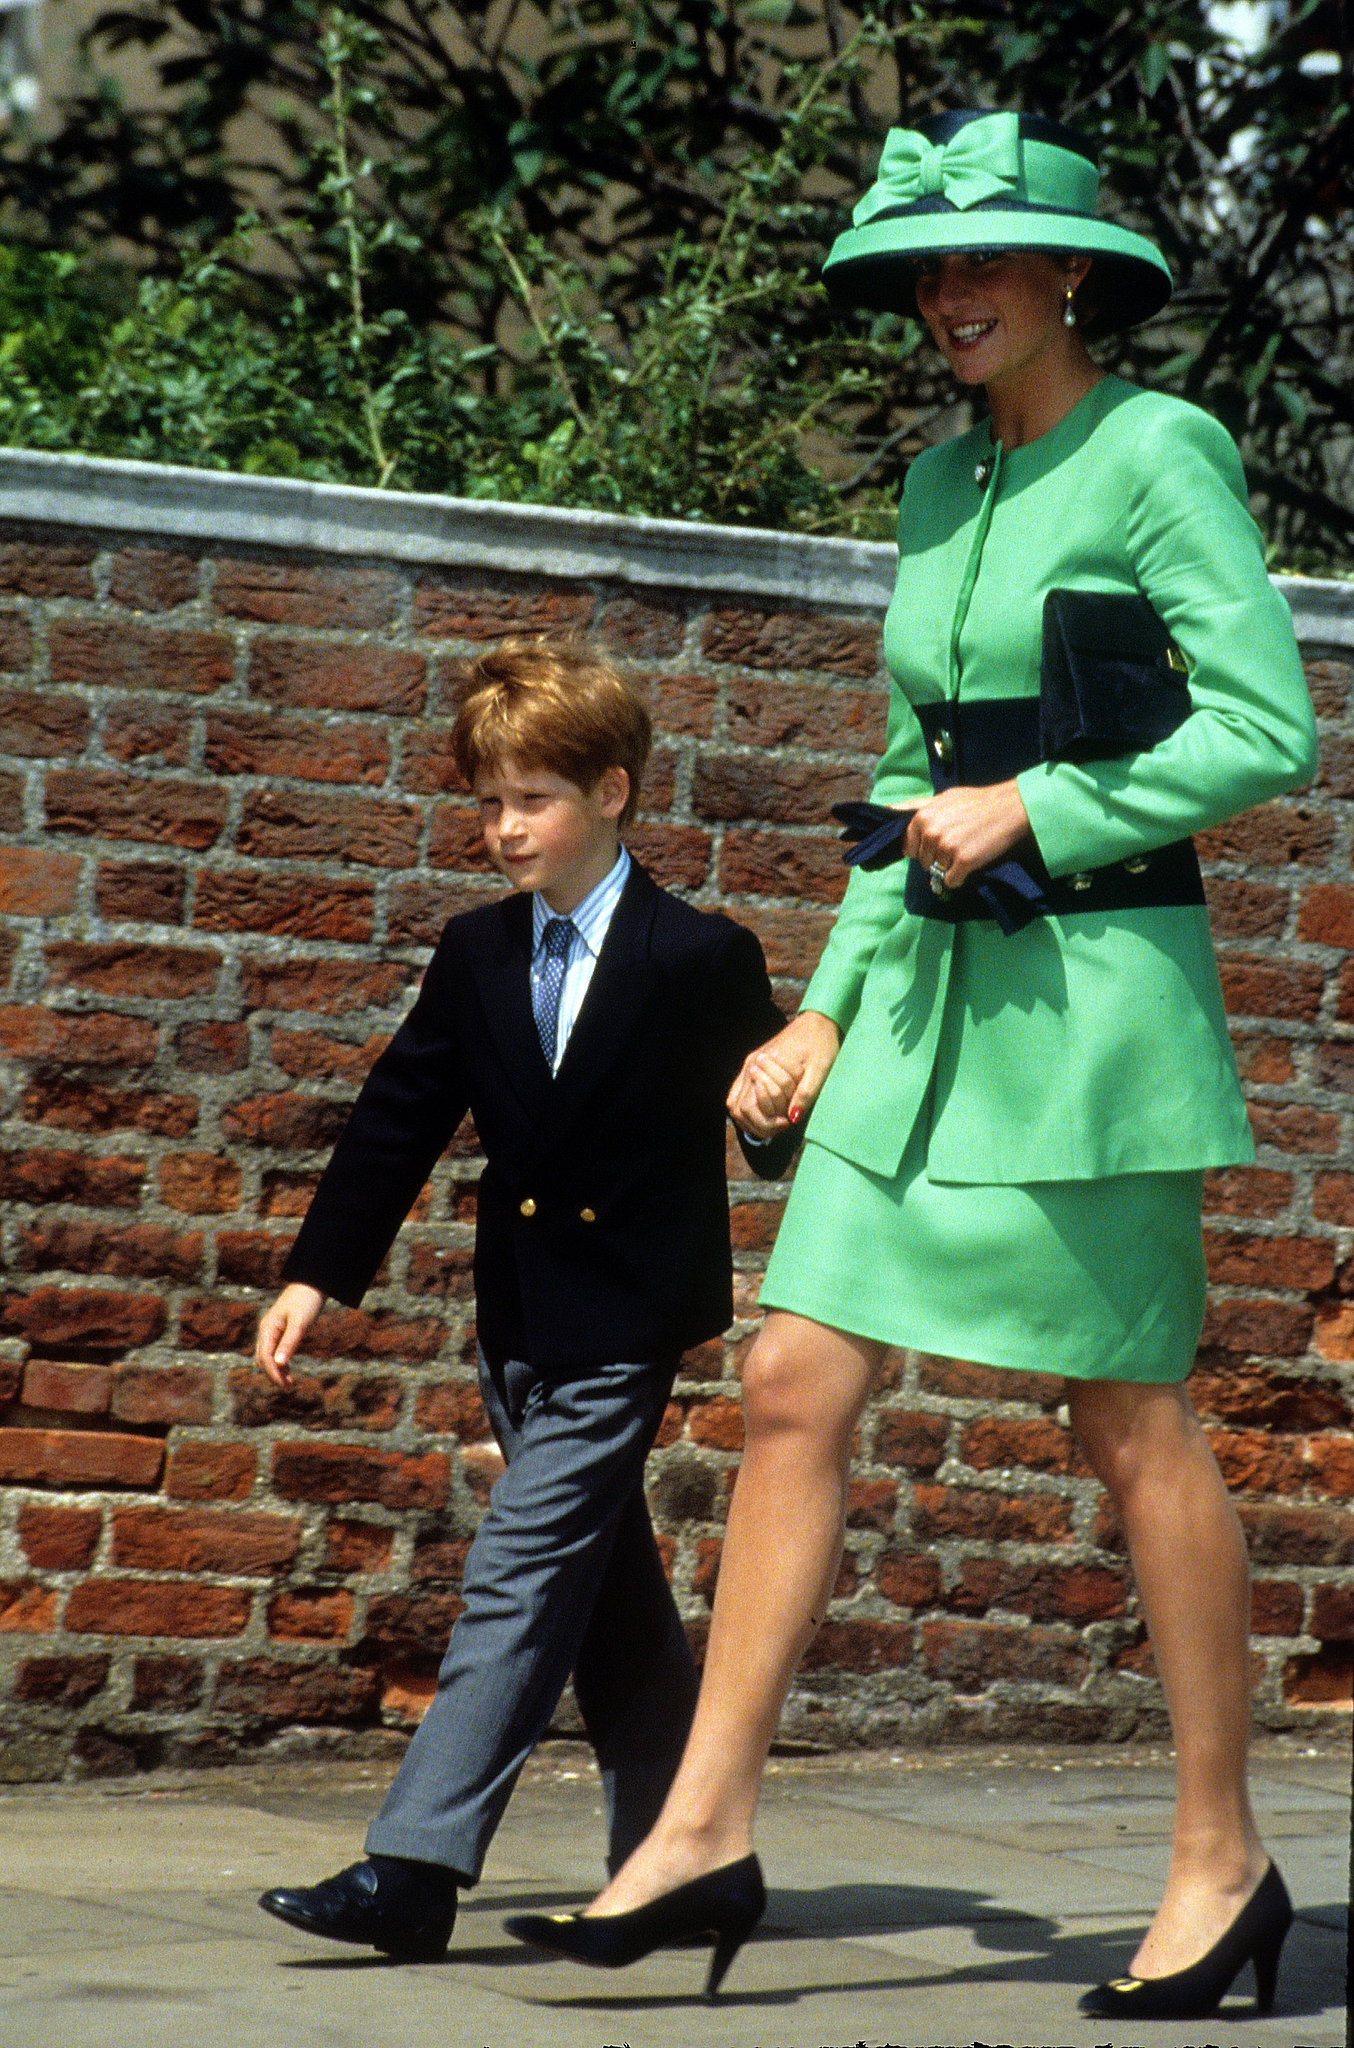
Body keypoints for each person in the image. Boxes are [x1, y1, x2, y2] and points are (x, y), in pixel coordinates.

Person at [503, 109, 1319, 2020]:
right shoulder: (941, 491)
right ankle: (701, 1823)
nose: (949, 298)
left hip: (1095, 1020)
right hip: (924, 1021)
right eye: (927, 272)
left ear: (1068, 279)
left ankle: (1222, 1860)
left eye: (985, 264)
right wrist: (820, 1010)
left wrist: (1042, 794)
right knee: (789, 1376)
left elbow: (1264, 724)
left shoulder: (1157, 449)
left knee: (1127, 1424)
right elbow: (899, 779)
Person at [252, 635, 795, 1964]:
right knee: (605, 1603)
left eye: (531, 799)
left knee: (516, 1575)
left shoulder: (695, 955)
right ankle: (697, 1859)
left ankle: (414, 1866)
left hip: (625, 1320)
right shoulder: (477, 952)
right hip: (519, 1318)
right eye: (487, 800)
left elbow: (774, 1115)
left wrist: (769, 1106)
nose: (503, 829)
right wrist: (318, 1271)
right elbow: (398, 1115)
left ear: (612, 791)